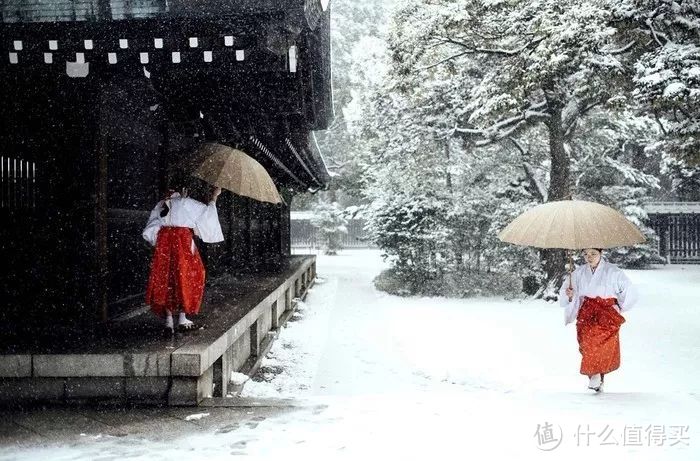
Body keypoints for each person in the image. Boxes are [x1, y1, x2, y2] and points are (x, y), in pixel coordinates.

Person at [143, 186, 224, 335]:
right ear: (183, 190)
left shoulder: (161, 204)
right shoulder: (186, 202)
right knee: (189, 276)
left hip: (164, 243)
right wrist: (214, 197)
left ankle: (168, 321)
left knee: (166, 278)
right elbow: (207, 215)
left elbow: (150, 231)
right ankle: (182, 317)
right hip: (183, 242)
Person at [559, 248, 638, 392]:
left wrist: (618, 307)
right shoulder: (579, 273)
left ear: (601, 254)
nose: (589, 257)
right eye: (586, 254)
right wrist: (570, 294)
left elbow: (628, 291)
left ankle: (596, 375)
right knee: (586, 343)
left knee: (601, 345)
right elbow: (568, 293)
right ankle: (596, 377)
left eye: (593, 254)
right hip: (587, 312)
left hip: (606, 313)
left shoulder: (614, 272)